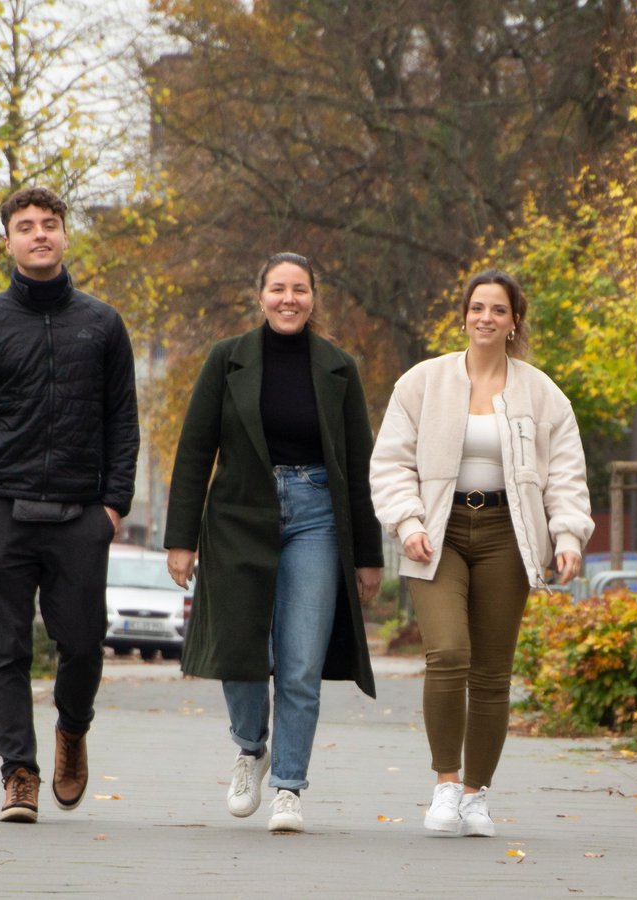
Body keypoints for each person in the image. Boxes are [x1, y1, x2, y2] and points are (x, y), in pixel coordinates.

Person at [164, 252, 384, 834]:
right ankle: (250, 748)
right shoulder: (227, 359)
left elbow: (358, 464)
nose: (289, 299)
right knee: (238, 651)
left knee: (300, 662)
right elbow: (195, 449)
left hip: (317, 516)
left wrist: (368, 556)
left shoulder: (338, 367)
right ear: (260, 296)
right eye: (279, 289)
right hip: (239, 515)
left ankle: (288, 786)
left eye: (300, 289)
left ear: (313, 298)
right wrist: (180, 539)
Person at [0, 186, 139, 824]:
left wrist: (113, 506)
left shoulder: (102, 324)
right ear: (8, 242)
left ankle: (72, 731)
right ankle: (19, 774)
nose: (39, 234)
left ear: (64, 235)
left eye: (49, 224)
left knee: (82, 644)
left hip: (81, 512)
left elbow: (122, 420)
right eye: (25, 226)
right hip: (3, 506)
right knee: (8, 648)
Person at [370, 269, 593, 837]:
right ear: (464, 316)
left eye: (497, 309)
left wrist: (568, 536)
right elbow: (391, 462)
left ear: (514, 320)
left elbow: (566, 474)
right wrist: (407, 520)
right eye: (477, 308)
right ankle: (446, 785)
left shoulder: (543, 393)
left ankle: (476, 796)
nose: (485, 318)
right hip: (437, 533)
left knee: (493, 673)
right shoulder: (422, 382)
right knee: (448, 653)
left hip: (507, 535)